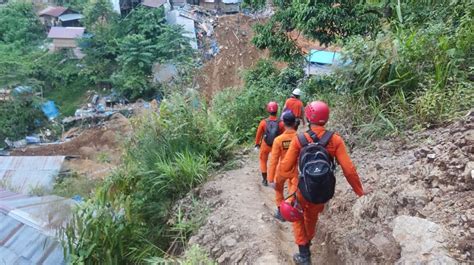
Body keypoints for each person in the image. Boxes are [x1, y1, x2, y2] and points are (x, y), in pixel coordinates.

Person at [279, 101, 370, 265]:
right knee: (312, 217)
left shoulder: (299, 139)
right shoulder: (335, 140)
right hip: (322, 191)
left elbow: (285, 168)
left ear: (308, 117)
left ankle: (304, 254)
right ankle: (309, 241)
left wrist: (294, 177)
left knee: (298, 218)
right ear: (326, 118)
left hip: (300, 188)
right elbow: (349, 169)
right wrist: (359, 191)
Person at [267, 111, 299, 221]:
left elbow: (273, 160)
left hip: (282, 170)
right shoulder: (300, 138)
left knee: (278, 190)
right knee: (293, 190)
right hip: (295, 170)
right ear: (295, 123)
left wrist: (270, 179)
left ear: (283, 123)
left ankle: (281, 212)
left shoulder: (278, 140)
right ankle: (290, 209)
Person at [255, 101, 285, 186]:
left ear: (268, 110)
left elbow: (258, 134)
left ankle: (264, 180)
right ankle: (275, 178)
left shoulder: (263, 122)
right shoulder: (281, 123)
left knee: (263, 160)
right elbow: (284, 135)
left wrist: (257, 144)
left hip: (265, 145)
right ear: (277, 110)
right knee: (276, 161)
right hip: (276, 145)